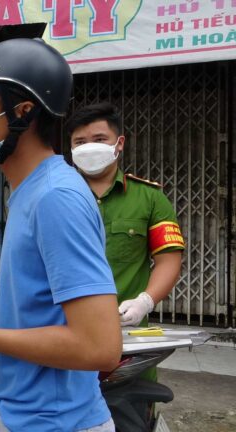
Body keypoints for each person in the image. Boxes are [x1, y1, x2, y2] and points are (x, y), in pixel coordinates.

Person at [0, 38, 122, 432]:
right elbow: (30, 311)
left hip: (57, 423)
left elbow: (100, 347)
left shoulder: (55, 198)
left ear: (23, 112)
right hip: (23, 415)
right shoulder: (28, 191)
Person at [67, 102, 184, 328]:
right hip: (66, 330)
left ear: (119, 143)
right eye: (80, 142)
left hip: (127, 332)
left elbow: (169, 260)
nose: (89, 148)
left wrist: (145, 301)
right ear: (71, 148)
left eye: (99, 139)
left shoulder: (150, 198)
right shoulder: (56, 198)